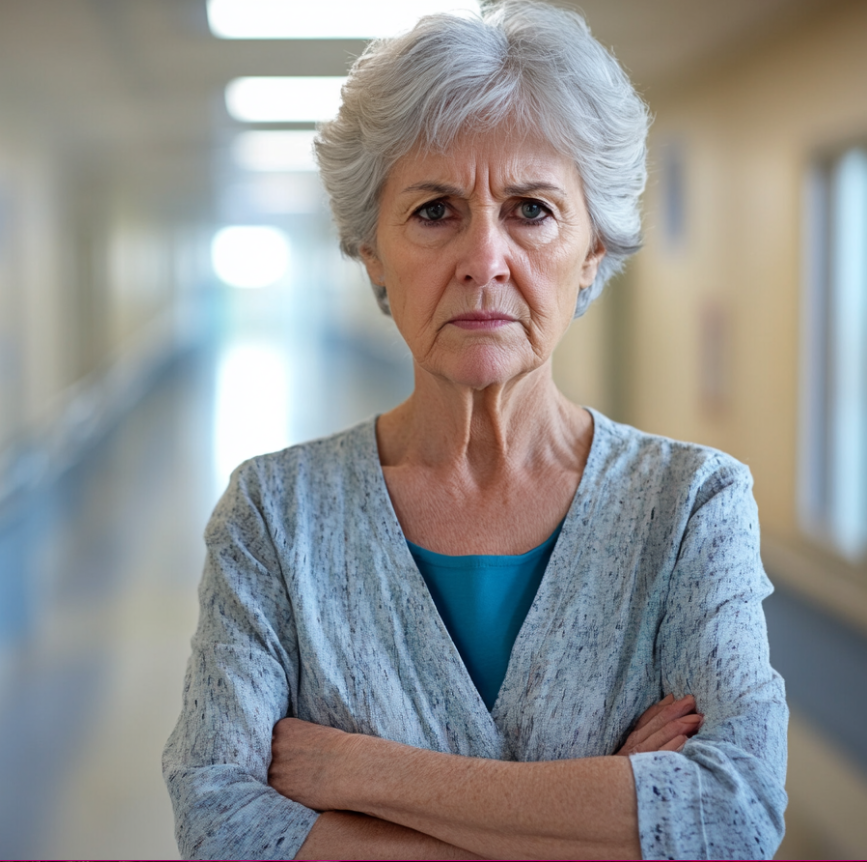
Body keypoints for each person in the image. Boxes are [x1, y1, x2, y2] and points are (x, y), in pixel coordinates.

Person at [163, 1, 788, 858]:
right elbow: (221, 822)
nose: (484, 258)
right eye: (434, 210)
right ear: (370, 252)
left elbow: (736, 813)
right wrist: (608, 816)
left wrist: (363, 774)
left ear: (593, 252)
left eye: (531, 209)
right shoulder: (276, 517)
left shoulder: (690, 507)